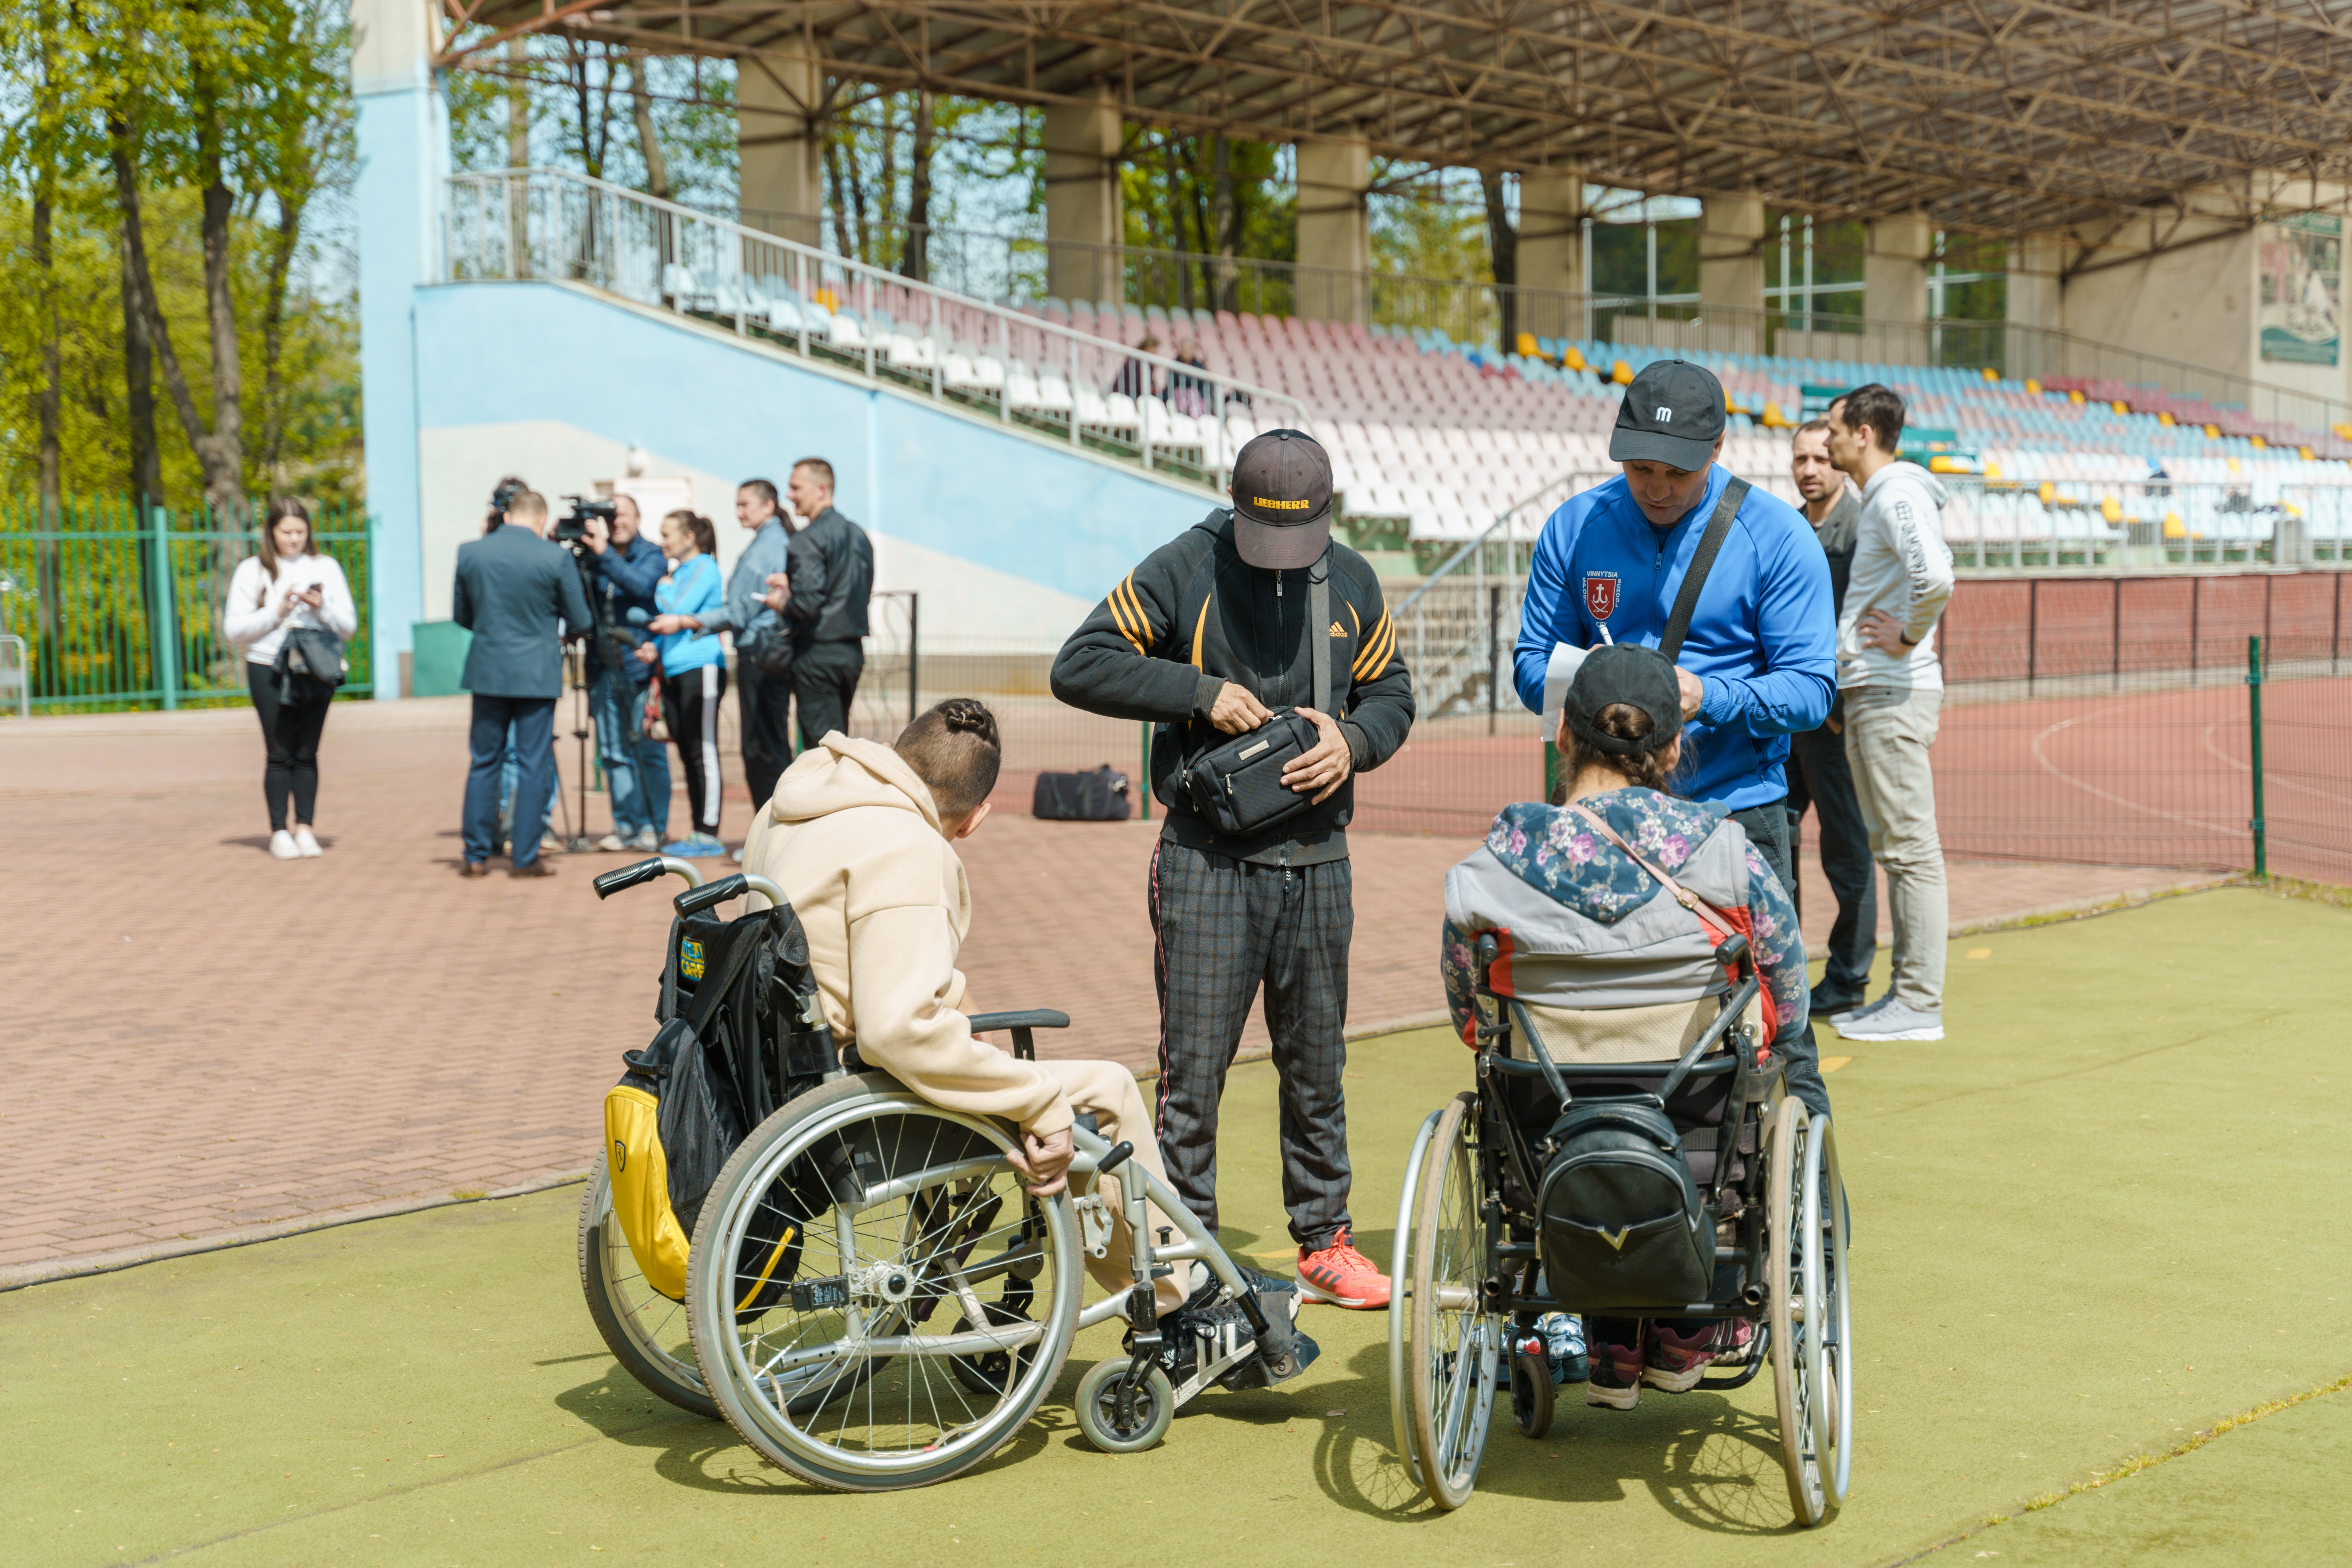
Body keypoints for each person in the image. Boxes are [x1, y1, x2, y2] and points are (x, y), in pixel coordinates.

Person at [739, 697, 1311, 1372]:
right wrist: (1035, 1102)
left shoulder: (799, 800)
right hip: (855, 1097)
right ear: (978, 816)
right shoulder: (906, 849)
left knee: (1017, 1070)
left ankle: (1162, 1277)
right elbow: (898, 1029)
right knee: (1107, 1090)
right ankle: (1174, 1304)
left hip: (777, 1064)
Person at [1050, 428, 1417, 1310]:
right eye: (1266, 538)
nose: (1283, 559)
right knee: (1193, 1075)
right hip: (1206, 860)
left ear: (1331, 517)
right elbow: (1080, 662)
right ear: (1236, 508)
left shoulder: (1354, 579)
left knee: (1316, 1063)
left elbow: (1394, 692)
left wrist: (1354, 742)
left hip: (1321, 861)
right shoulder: (1186, 566)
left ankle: (1325, 1240)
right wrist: (1198, 691)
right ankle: (1187, 1252)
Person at [1440, 643, 1807, 1407]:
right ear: (1675, 745)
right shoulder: (1728, 855)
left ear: (1564, 737)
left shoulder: (1489, 867)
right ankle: (1683, 1330)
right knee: (1747, 1077)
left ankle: (1612, 1336)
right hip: (1694, 1133)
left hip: (1550, 1138)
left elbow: (1470, 1015)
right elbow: (1788, 998)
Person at [1511, 358, 1836, 1118]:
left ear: (1718, 449)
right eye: (1638, 466)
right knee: (1604, 1014)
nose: (1654, 485)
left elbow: (1812, 689)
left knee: (1776, 1025)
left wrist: (1708, 694)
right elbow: (1531, 665)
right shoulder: (1577, 524)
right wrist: (1602, 690)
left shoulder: (1777, 536)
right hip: (1599, 820)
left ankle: (1810, 1206)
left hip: (1736, 815)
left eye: (1676, 471)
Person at [1822, 384, 1956, 1043]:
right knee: (1899, 849)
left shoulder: (1897, 492)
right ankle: (1908, 997)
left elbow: (1936, 575)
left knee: (1909, 850)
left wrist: (1905, 635)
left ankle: (1919, 1004)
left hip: (1892, 690)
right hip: (1877, 689)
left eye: (1835, 430)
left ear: (1865, 433)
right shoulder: (1894, 494)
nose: (1828, 441)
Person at [1784, 419, 1878, 1017]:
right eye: (1801, 459)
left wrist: (1843, 707)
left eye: (1821, 457)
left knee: (1847, 854)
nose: (1811, 469)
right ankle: (1781, 971)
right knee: (1774, 841)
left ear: (1840, 461)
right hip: (1784, 719)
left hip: (1834, 721)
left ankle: (1848, 979)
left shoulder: (1865, 525)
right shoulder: (1787, 526)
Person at [454, 486, 590, 879]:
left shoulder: (471, 552)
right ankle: (525, 856)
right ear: (541, 520)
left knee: (485, 761)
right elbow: (580, 620)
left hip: (488, 668)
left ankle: (476, 853)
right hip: (536, 672)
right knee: (533, 763)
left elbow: (462, 614)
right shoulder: (555, 556)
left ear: (508, 514)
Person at [223, 497, 358, 860]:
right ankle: (280, 830)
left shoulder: (326, 567)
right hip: (268, 665)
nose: (294, 539)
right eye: (286, 532)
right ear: (271, 532)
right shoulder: (253, 570)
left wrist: (321, 607)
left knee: (308, 751)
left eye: (301, 532)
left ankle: (306, 828)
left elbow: (349, 626)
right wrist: (276, 610)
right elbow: (234, 630)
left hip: (314, 666)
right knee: (279, 751)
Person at [696, 479, 798, 815]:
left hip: (761, 653)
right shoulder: (773, 541)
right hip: (767, 651)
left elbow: (739, 610)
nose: (739, 512)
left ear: (768, 506)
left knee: (761, 748)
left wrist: (690, 622)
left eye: (745, 505)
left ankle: (772, 832)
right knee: (771, 744)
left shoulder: (767, 547)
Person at [581, 493, 672, 852]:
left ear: (637, 518)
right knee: (614, 752)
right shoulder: (593, 555)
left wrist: (603, 554)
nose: (617, 521)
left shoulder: (651, 554)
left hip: (639, 666)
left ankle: (654, 825)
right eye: (612, 515)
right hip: (603, 666)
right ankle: (626, 826)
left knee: (648, 749)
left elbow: (642, 586)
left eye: (624, 515)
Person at [641, 510, 728, 857]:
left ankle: (710, 832)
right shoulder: (681, 571)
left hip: (702, 667)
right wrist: (654, 647)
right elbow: (670, 625)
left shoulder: (704, 567)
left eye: (667, 534)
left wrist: (662, 588)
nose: (662, 541)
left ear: (689, 538)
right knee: (687, 751)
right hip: (675, 669)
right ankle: (697, 830)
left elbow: (678, 609)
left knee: (703, 749)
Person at [783, 458, 874, 750]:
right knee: (839, 741)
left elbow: (807, 604)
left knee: (823, 751)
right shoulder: (859, 534)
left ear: (821, 489)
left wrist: (782, 602)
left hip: (818, 652)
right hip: (852, 651)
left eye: (796, 488)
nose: (790, 495)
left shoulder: (807, 539)